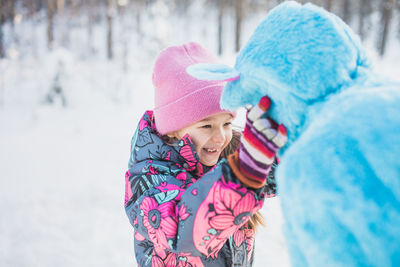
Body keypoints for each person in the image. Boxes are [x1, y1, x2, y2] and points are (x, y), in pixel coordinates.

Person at [124, 42, 287, 267]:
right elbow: (183, 229)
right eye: (206, 126)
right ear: (172, 129)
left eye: (227, 123)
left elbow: (281, 174)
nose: (221, 137)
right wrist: (244, 174)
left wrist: (281, 133)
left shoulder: (226, 153)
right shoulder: (148, 179)